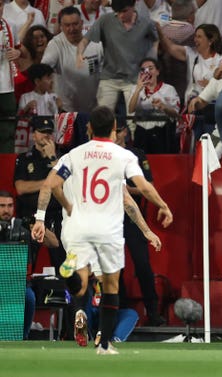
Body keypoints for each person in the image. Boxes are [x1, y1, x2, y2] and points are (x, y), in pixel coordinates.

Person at [31, 106, 173, 355]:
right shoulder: (123, 157)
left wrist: (41, 219)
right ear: (115, 129)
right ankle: (105, 344)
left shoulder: (73, 156)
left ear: (88, 128)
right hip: (107, 229)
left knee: (81, 281)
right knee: (110, 286)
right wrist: (160, 211)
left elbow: (49, 185)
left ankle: (70, 274)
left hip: (76, 227)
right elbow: (137, 193)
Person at [114, 124, 166, 326]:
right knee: (114, 265)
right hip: (111, 219)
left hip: (133, 219)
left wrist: (127, 189)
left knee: (142, 264)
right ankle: (121, 309)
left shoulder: (135, 154)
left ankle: (152, 311)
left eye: (119, 131)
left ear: (125, 131)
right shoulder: (105, 155)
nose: (116, 135)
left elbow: (148, 186)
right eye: (113, 131)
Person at [76, 0, 158, 112]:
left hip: (134, 78)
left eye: (124, 11)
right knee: (103, 115)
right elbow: (84, 40)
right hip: (109, 76)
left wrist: (153, 57)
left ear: (133, 6)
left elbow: (155, 40)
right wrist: (79, 53)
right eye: (118, 12)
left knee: (133, 118)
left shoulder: (146, 23)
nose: (121, 15)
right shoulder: (105, 20)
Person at [0, 190, 57, 340]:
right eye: (2, 206)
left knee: (28, 297)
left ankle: (22, 337)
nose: (6, 210)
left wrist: (37, 224)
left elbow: (54, 243)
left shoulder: (23, 227)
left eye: (10, 206)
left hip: (20, 284)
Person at [13, 117, 65, 269]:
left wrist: (53, 158)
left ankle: (64, 291)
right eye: (42, 132)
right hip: (30, 217)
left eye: (49, 132)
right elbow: (21, 188)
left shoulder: (61, 158)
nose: (46, 136)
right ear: (34, 135)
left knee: (62, 264)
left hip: (56, 216)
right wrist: (50, 183)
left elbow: (67, 185)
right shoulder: (24, 159)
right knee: (25, 264)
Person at [158, 23, 222, 139]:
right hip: (192, 107)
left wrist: (212, 85)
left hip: (212, 108)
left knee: (209, 141)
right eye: (195, 36)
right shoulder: (192, 54)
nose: (195, 39)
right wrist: (159, 30)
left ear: (210, 40)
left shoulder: (220, 59)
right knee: (191, 141)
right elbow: (171, 47)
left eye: (199, 36)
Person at [41, 6, 103, 113]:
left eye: (75, 24)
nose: (72, 29)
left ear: (82, 23)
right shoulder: (55, 44)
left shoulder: (96, 42)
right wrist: (50, 94)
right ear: (60, 26)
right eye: (67, 25)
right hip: (65, 109)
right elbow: (43, 69)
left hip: (94, 108)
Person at [127, 58, 181, 154]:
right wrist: (138, 89)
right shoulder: (136, 89)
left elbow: (176, 115)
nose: (147, 71)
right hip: (141, 132)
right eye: (143, 70)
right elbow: (131, 109)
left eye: (150, 68)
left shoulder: (169, 89)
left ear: (157, 71)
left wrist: (164, 107)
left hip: (162, 133)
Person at [0, 0, 21, 153]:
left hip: (6, 87)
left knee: (7, 133)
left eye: (0, 4)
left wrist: (18, 53)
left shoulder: (10, 25)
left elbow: (22, 51)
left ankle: (6, 174)